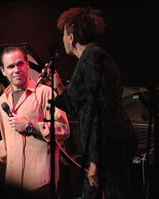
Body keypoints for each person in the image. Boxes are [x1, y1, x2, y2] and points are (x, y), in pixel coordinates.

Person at [52, 7, 137, 199]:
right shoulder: (95, 57)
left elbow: (97, 111)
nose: (63, 40)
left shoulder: (91, 58)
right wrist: (58, 88)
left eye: (64, 34)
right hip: (111, 144)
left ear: (72, 37)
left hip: (108, 147)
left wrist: (95, 162)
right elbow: (77, 106)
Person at [0, 46, 70, 198]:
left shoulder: (45, 92)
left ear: (27, 65)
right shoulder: (3, 100)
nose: (16, 69)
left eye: (20, 64)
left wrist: (30, 126)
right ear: (3, 71)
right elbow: (8, 141)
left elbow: (63, 129)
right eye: (11, 66)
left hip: (40, 182)